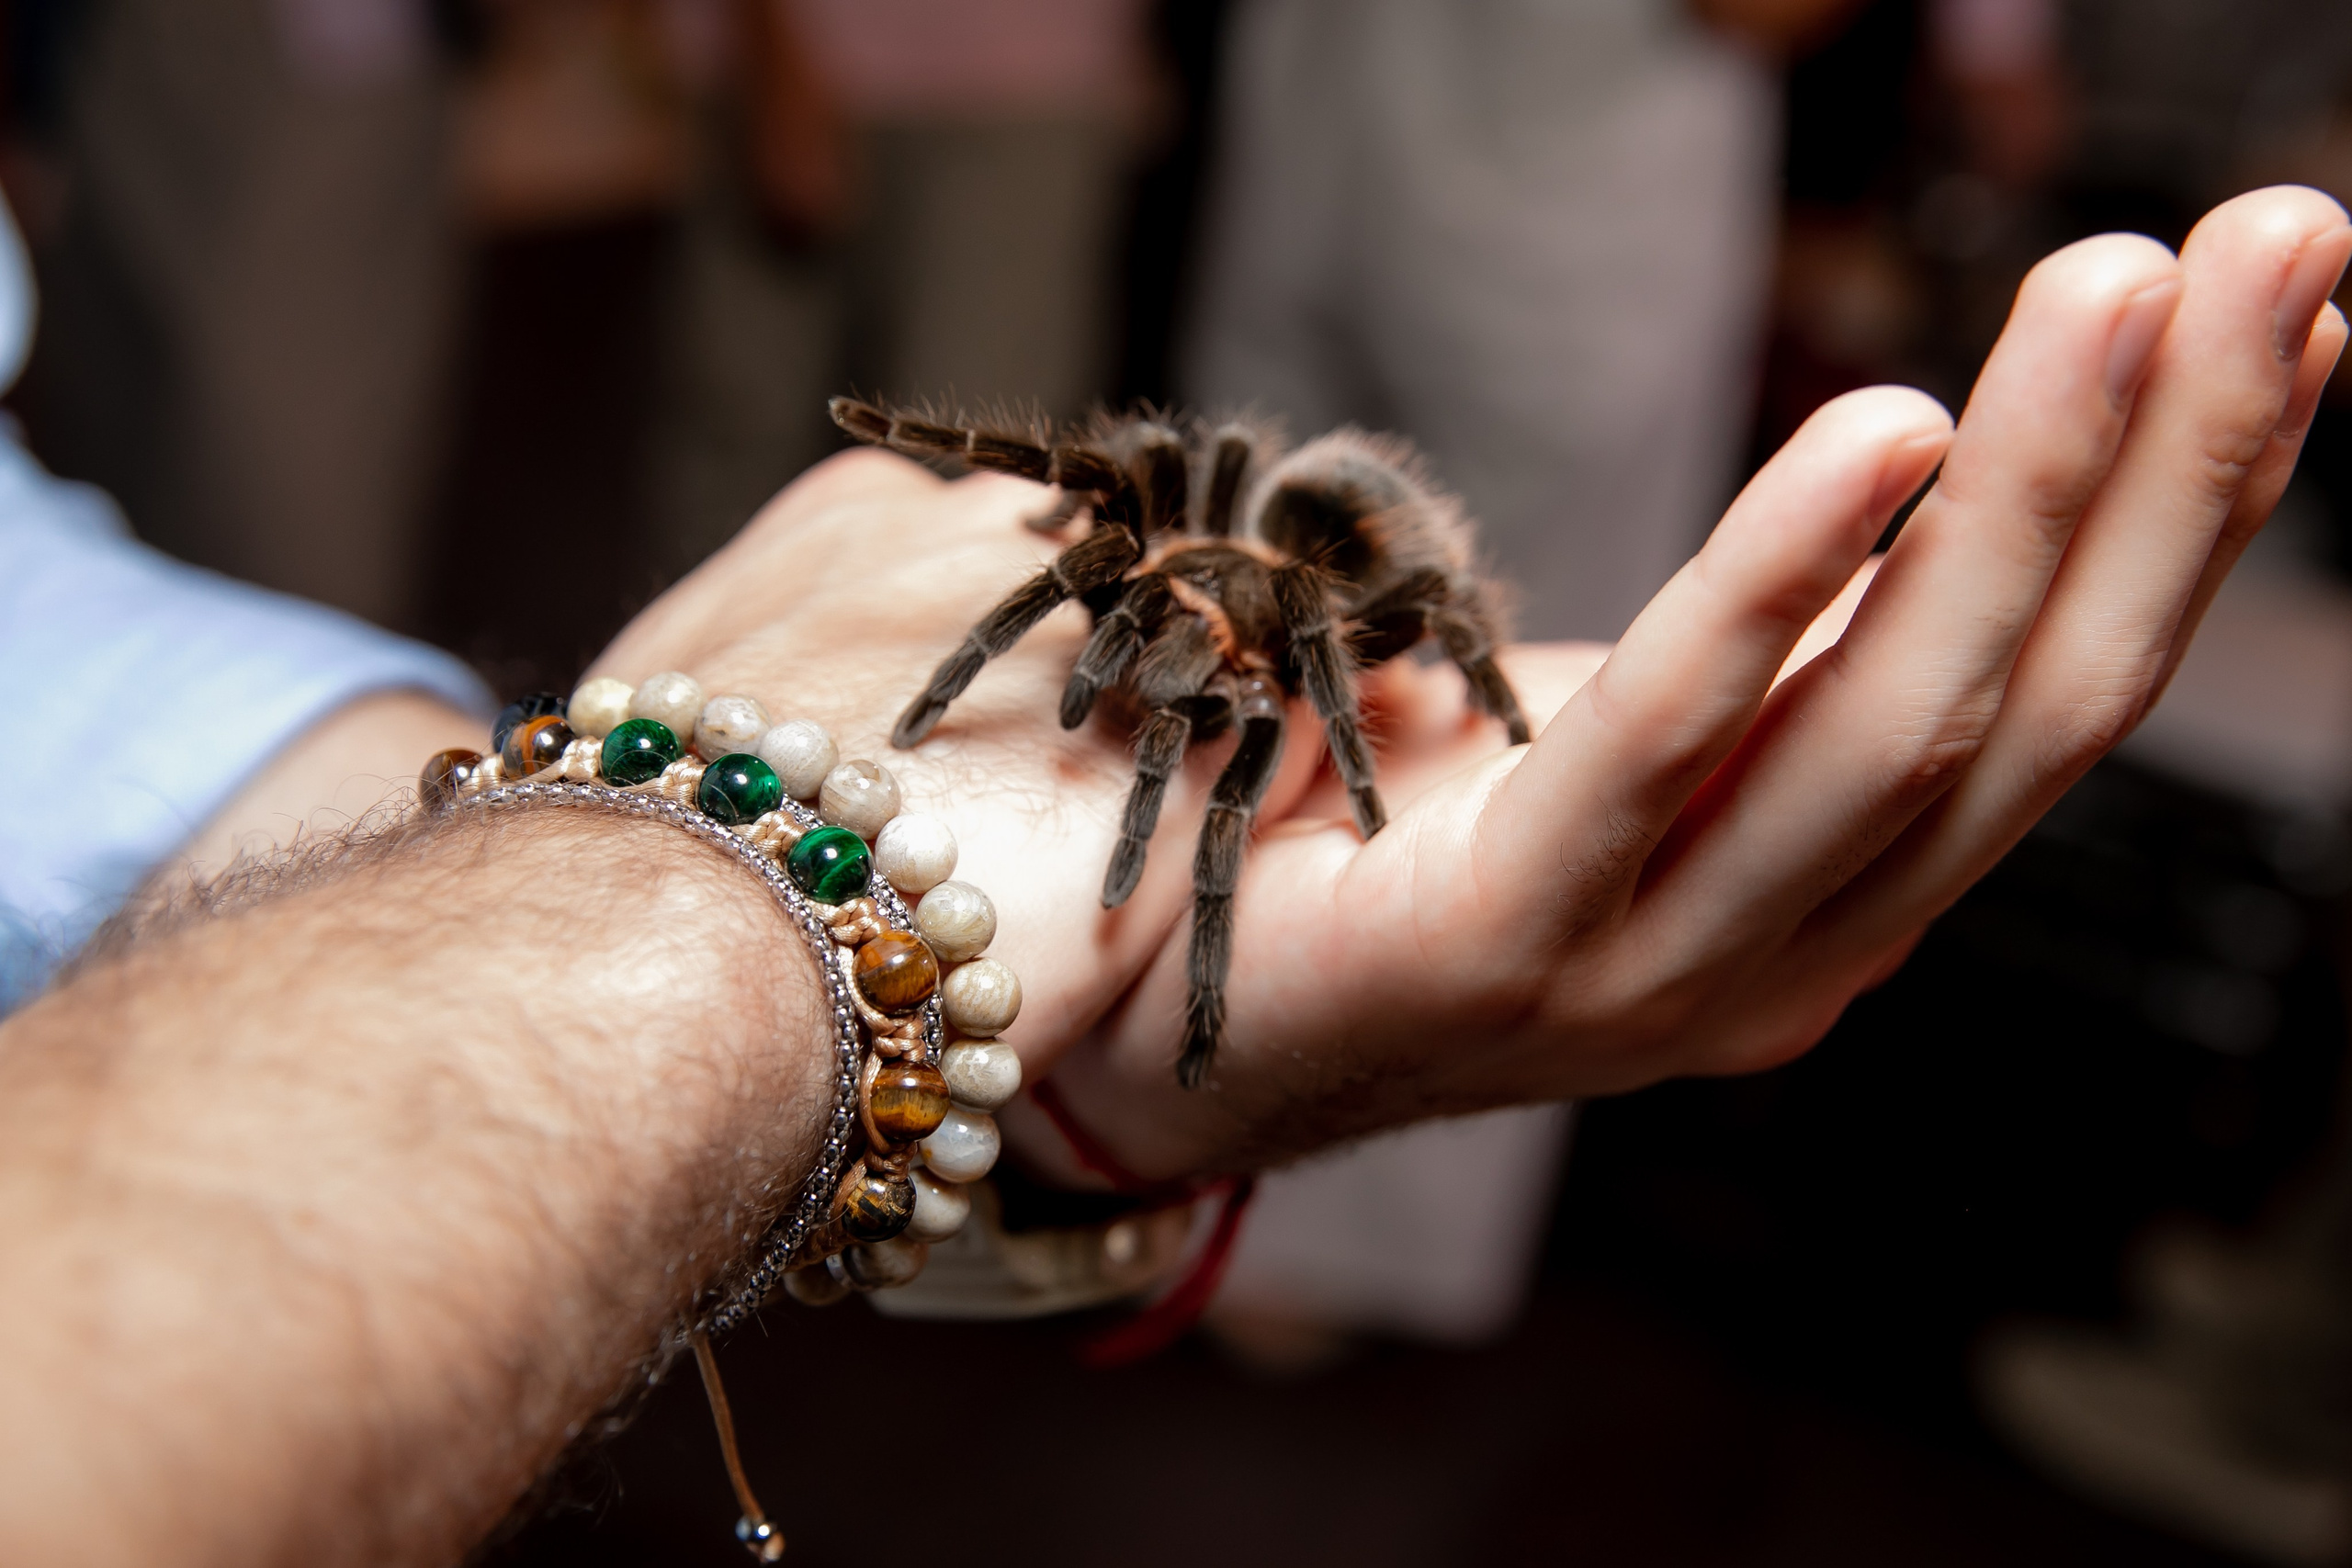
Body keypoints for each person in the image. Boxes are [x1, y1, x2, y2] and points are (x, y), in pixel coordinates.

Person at [0, 185, 2344, 1563]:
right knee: (1124, 514)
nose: (1125, 644)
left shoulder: (1291, 629)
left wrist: (1113, 981)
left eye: (1157, 627)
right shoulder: (1135, 559)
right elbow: (1060, 507)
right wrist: (715, 849)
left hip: (1346, 565)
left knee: (1212, 763)